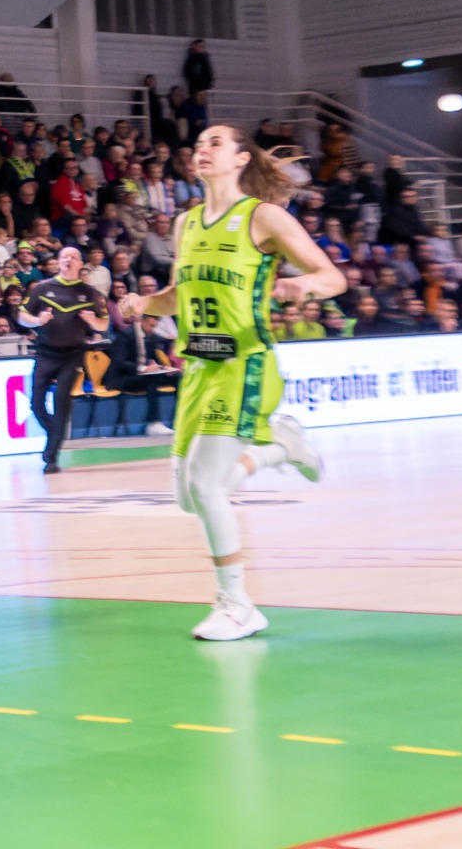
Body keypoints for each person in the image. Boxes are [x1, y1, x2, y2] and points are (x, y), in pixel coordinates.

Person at [120, 124, 343, 642]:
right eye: (198, 144)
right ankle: (280, 447)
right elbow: (179, 294)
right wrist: (142, 305)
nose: (202, 150)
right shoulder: (186, 223)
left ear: (241, 158)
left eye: (214, 142)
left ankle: (237, 603)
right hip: (198, 366)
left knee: (207, 486)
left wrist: (298, 285)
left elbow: (333, 277)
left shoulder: (263, 217)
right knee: (186, 497)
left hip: (245, 363)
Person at [17, 246, 110, 475]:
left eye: (73, 257)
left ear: (80, 264)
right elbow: (22, 316)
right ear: (58, 262)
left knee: (61, 401)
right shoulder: (42, 288)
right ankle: (54, 432)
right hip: (45, 353)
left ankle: (51, 457)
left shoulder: (90, 293)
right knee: (36, 404)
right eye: (64, 257)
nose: (68, 260)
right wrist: (38, 320)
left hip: (73, 355)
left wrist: (92, 321)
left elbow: (104, 324)